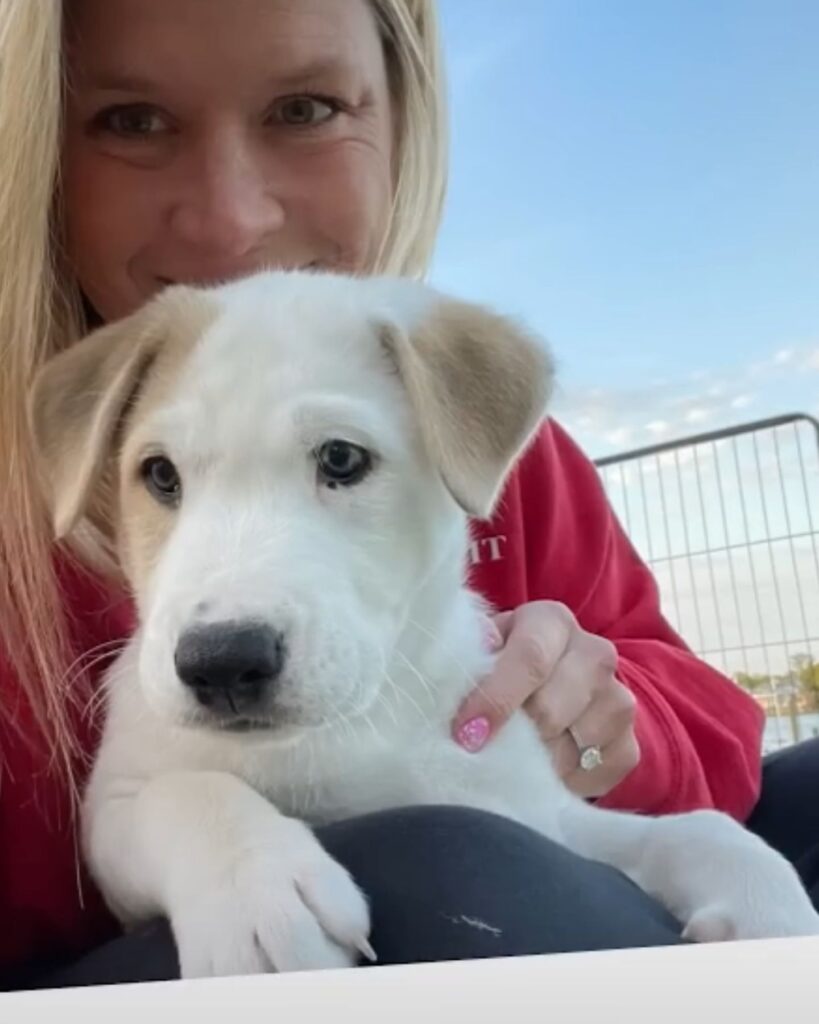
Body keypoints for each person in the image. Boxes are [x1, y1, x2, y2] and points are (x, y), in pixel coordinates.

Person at [0, 0, 816, 992]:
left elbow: (639, 774)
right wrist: (212, 841)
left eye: (303, 109)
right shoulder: (107, 411)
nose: (231, 217)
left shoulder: (455, 420)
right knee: (456, 870)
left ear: (402, 117)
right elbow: (134, 809)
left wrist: (608, 720)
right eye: (132, 120)